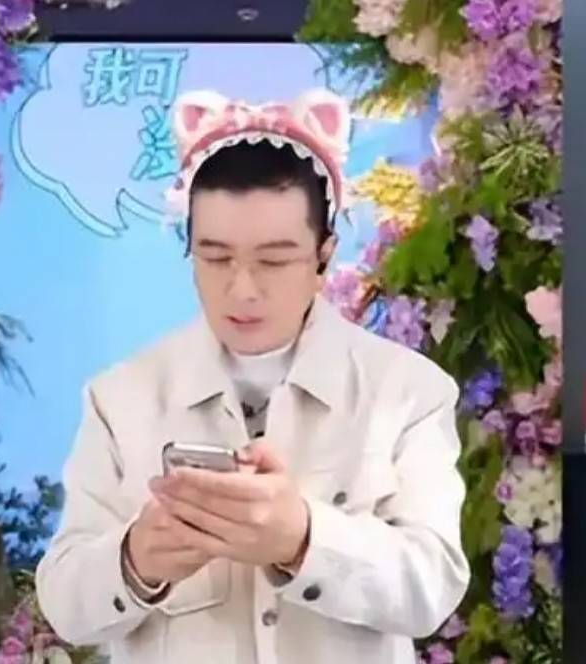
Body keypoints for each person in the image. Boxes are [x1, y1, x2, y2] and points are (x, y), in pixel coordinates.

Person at [35, 88, 470, 664]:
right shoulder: (120, 399)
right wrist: (135, 560)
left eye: (273, 260)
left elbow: (433, 586)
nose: (242, 289)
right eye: (216, 258)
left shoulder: (408, 391)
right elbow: (64, 603)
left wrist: (304, 538)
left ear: (325, 256)